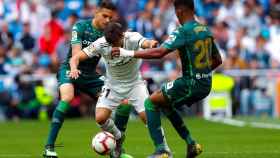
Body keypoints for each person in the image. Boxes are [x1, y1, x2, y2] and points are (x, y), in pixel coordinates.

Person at [111, 0, 223, 158]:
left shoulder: (183, 31)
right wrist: (201, 73)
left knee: (150, 102)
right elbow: (218, 60)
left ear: (179, 11)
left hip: (190, 84)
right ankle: (191, 144)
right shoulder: (205, 30)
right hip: (205, 83)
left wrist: (128, 53)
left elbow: (160, 52)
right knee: (163, 102)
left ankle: (161, 150)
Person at [69, 22, 170, 158]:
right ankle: (118, 137)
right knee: (100, 118)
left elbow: (146, 43)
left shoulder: (132, 37)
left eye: (116, 42)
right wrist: (74, 68)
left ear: (122, 35)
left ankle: (164, 150)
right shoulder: (101, 43)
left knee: (148, 117)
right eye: (111, 43)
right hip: (113, 85)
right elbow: (75, 57)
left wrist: (151, 44)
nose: (113, 46)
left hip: (135, 84)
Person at [43, 1, 120, 158]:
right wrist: (73, 69)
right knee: (67, 97)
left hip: (90, 74)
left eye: (110, 18)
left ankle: (116, 150)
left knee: (113, 101)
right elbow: (76, 52)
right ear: (96, 12)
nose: (107, 20)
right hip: (70, 69)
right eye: (104, 16)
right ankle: (49, 147)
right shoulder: (80, 27)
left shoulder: (108, 34)